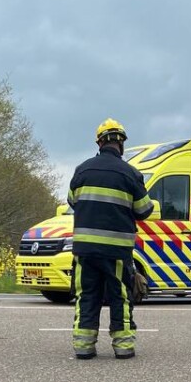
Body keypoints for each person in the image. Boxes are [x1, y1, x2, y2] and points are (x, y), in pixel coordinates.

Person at [66, 118, 154, 359]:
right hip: (117, 251)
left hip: (85, 251)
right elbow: (144, 210)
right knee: (120, 296)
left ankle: (84, 348)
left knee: (87, 295)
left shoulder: (81, 170)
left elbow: (72, 202)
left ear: (99, 142)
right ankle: (123, 348)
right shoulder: (131, 174)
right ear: (121, 144)